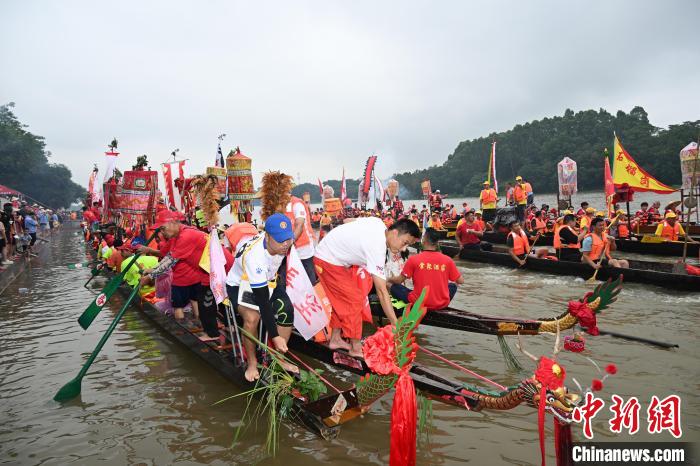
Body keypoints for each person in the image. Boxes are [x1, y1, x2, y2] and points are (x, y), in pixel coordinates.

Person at [314, 217, 420, 357]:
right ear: (394, 233)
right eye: (404, 243)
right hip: (328, 260)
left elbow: (347, 221)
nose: (404, 249)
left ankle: (335, 339)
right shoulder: (377, 248)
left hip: (333, 257)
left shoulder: (377, 222)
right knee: (354, 300)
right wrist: (396, 324)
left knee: (342, 299)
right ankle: (356, 348)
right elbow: (382, 292)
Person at [224, 213, 297, 381]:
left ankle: (278, 359)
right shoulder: (255, 257)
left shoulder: (284, 245)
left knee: (286, 310)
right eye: (280, 240)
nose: (286, 244)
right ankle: (252, 362)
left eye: (288, 239)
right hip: (240, 283)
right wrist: (275, 336)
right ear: (267, 236)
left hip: (267, 280)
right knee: (252, 318)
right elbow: (263, 302)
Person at [141, 210, 208, 332]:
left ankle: (184, 331)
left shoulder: (185, 235)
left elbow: (170, 260)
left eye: (163, 228)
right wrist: (149, 252)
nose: (162, 232)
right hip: (197, 275)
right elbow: (164, 254)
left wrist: (150, 276)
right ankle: (199, 326)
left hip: (190, 276)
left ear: (173, 223)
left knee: (179, 306)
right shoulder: (176, 236)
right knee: (195, 301)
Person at [388, 228, 464, 310]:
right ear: (437, 243)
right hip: (441, 304)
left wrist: (389, 278)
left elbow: (399, 280)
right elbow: (460, 281)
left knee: (389, 284)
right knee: (453, 285)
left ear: (424, 240)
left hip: (418, 302)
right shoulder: (448, 260)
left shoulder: (413, 259)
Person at [285, 195, 317, 283]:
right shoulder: (278, 205)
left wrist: (290, 241)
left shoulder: (296, 204)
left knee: (309, 275)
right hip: (288, 249)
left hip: (303, 247)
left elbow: (299, 225)